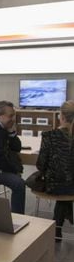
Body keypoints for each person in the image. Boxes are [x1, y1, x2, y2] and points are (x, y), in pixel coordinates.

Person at [35, 100, 74, 240]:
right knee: (67, 182)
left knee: (60, 181)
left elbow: (41, 165)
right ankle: (65, 218)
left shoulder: (49, 136)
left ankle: (57, 229)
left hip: (54, 186)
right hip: (71, 186)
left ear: (61, 117)